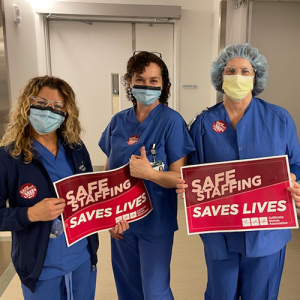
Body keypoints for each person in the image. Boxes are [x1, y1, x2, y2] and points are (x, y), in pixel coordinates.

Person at [177, 43, 300, 300]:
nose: (238, 76)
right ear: (220, 77)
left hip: (267, 233)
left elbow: (296, 164)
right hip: (219, 234)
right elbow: (191, 174)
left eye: (246, 71)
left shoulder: (280, 119)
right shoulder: (202, 124)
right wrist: (185, 187)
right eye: (230, 70)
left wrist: (295, 181)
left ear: (256, 77)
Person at [0, 75, 128, 300]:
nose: (48, 111)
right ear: (27, 105)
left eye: (57, 106)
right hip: (41, 268)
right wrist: (30, 214)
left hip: (82, 259)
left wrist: (108, 221)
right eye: (41, 103)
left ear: (66, 111)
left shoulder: (76, 149)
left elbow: (91, 198)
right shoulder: (9, 157)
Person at [99, 51, 195, 299]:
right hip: (122, 221)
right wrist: (108, 218)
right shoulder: (118, 122)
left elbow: (180, 178)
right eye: (140, 79)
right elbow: (108, 177)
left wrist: (150, 174)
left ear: (163, 85)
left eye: (154, 80)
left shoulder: (172, 122)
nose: (146, 85)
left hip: (156, 222)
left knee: (155, 291)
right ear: (129, 82)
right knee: (127, 288)